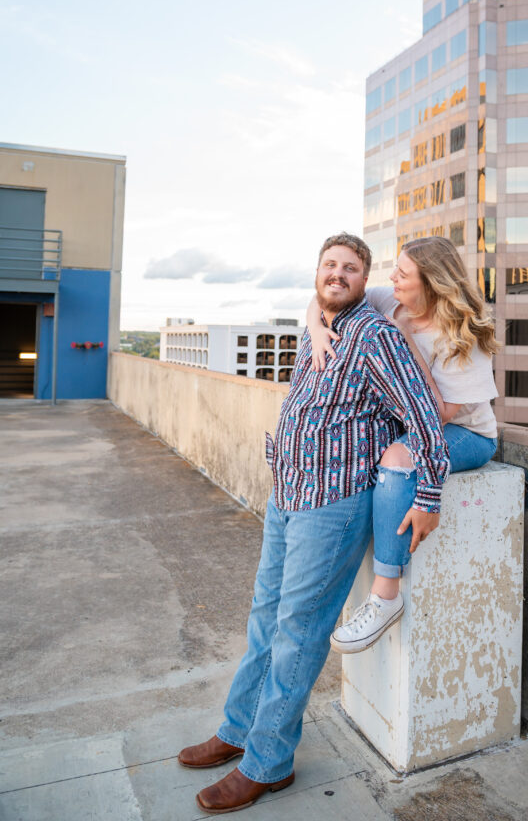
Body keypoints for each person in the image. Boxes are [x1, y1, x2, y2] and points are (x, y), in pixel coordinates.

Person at [178, 232, 448, 815]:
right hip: (290, 492)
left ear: (363, 280)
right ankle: (236, 729)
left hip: (333, 504)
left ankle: (267, 762)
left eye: (351, 268)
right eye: (330, 264)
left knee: (297, 631)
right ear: (317, 273)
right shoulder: (317, 328)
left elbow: (425, 416)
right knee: (263, 617)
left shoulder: (376, 336)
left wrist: (428, 495)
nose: (338, 273)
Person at [306, 236, 500, 655]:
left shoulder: (461, 335)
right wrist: (315, 330)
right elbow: (327, 297)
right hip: (415, 427)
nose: (391, 278)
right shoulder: (388, 299)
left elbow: (436, 414)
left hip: (468, 435)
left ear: (430, 284)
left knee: (396, 457)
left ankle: (386, 595)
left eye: (403, 273)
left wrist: (404, 346)